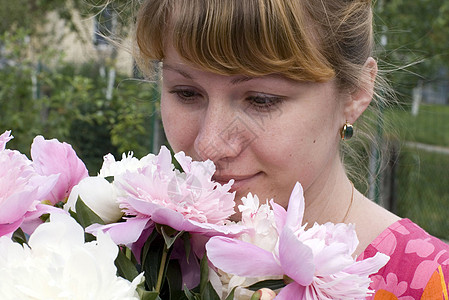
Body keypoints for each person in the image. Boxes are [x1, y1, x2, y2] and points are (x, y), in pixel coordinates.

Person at [133, 0, 449, 298]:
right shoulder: (128, 254)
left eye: (261, 100)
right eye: (186, 93)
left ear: (354, 93)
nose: (209, 144)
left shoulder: (429, 284)